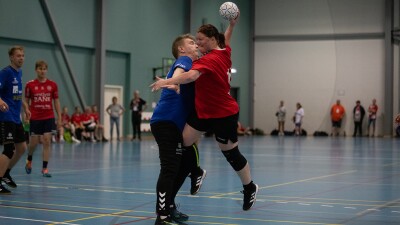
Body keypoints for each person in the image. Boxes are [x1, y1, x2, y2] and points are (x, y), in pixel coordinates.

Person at [151, 13, 259, 212]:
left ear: (211, 40)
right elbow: (225, 40)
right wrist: (232, 25)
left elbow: (190, 76)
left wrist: (166, 82)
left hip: (223, 113)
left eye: (200, 40)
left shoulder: (209, 60)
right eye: (194, 40)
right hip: (203, 111)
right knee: (184, 142)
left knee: (231, 154)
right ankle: (196, 171)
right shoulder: (224, 51)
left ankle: (249, 187)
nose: (197, 43)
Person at [151, 34, 206, 224]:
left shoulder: (195, 66)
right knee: (169, 169)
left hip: (175, 124)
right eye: (191, 43)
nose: (195, 44)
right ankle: (162, 216)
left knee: (183, 165)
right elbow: (177, 75)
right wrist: (173, 83)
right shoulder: (184, 60)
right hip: (166, 122)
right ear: (182, 49)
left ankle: (171, 206)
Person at [0, 46, 30, 194]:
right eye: (18, 56)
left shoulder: (19, 73)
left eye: (23, 55)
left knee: (22, 148)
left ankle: (5, 173)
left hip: (16, 117)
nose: (21, 58)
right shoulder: (5, 73)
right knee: (9, 149)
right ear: (11, 57)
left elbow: (18, 94)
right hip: (5, 117)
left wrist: (25, 107)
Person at [24, 60, 62, 177]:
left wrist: (59, 117)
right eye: (40, 68)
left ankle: (45, 168)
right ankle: (29, 159)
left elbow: (56, 101)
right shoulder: (30, 85)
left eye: (44, 69)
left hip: (48, 116)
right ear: (36, 70)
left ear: (46, 70)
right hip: (35, 117)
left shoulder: (53, 85)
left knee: (46, 140)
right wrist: (26, 114)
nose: (42, 71)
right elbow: (26, 101)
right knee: (33, 143)